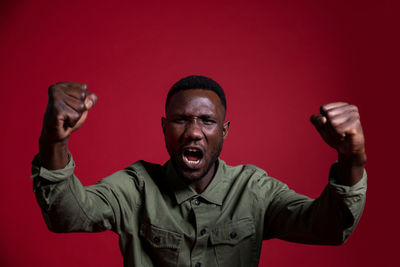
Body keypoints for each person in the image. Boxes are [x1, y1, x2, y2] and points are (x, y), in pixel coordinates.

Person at [32, 75, 367, 267]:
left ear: (224, 131)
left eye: (207, 121)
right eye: (181, 120)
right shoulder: (134, 187)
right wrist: (53, 141)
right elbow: (67, 215)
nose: (193, 132)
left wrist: (352, 158)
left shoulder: (254, 189)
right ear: (165, 129)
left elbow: (329, 227)